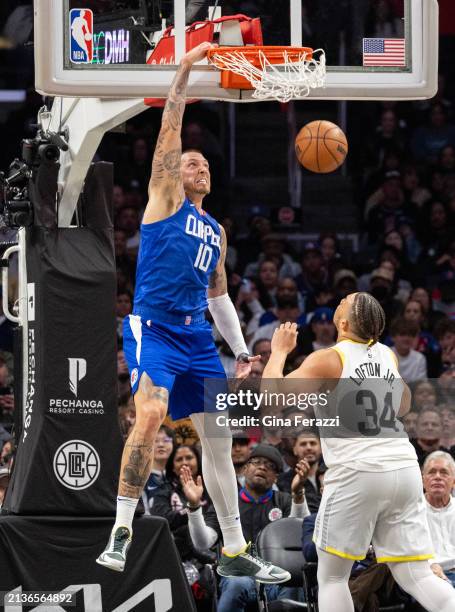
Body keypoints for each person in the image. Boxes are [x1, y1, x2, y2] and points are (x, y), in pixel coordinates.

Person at [97, 41, 289, 583]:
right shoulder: (164, 201)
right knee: (152, 415)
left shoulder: (216, 231)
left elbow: (220, 297)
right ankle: (122, 529)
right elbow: (169, 136)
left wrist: (242, 350)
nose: (196, 163)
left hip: (199, 340)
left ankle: (232, 546)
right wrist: (183, 72)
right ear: (173, 175)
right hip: (153, 330)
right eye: (189, 162)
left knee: (219, 440)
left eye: (202, 162)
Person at [263, 292, 455, 612]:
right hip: (404, 468)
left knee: (333, 578)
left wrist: (279, 352)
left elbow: (271, 400)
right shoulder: (388, 355)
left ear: (344, 322)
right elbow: (404, 404)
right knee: (416, 574)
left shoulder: (330, 358)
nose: (340, 302)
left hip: (359, 470)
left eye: (343, 302)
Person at [217, 444, 310, 612]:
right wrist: (194, 508)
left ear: (275, 477)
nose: (262, 467)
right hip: (241, 574)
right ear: (244, 469)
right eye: (256, 462)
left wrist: (298, 494)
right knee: (236, 583)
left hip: (277, 575)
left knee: (294, 583)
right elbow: (203, 541)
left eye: (270, 466)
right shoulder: (227, 502)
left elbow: (299, 533)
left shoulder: (284, 500)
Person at [423, 451, 455, 587]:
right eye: (432, 472)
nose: (437, 477)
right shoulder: (412, 511)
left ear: (453, 481)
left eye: (444, 472)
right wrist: (430, 565)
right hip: (427, 575)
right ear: (423, 480)